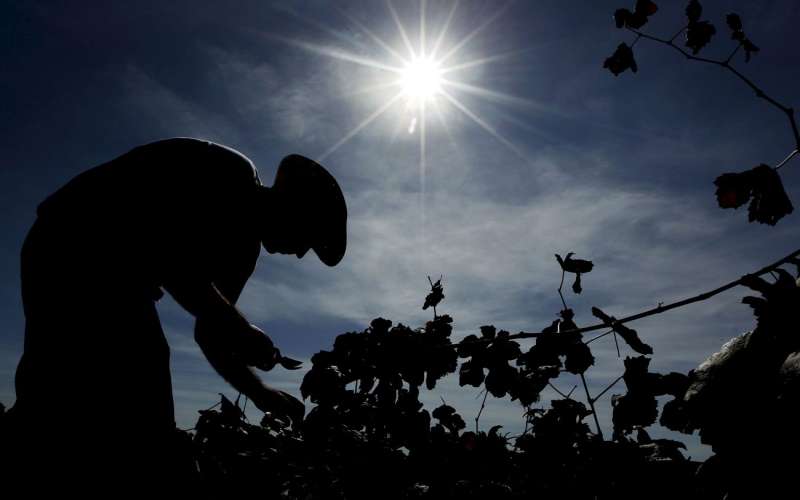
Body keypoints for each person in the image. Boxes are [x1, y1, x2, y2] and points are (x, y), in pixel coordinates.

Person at [3, 137, 347, 486]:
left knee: (84, 383)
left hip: (116, 276)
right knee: (120, 372)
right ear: (294, 207)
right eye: (309, 237)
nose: (303, 253)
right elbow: (173, 262)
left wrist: (260, 392)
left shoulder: (242, 255)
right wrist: (240, 330)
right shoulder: (228, 174)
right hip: (69, 241)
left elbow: (209, 331)